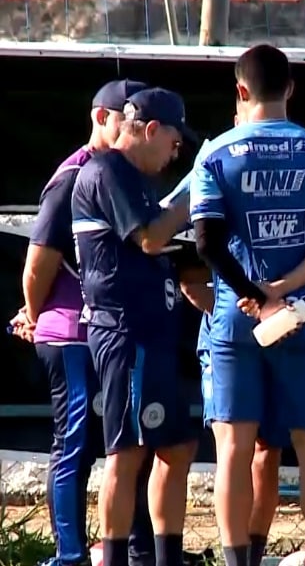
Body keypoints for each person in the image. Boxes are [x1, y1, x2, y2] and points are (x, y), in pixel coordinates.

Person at [189, 43, 305, 566]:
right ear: (290, 89)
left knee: (234, 450)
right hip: (302, 316)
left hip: (236, 318)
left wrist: (252, 292)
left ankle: (237, 559)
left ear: (240, 91)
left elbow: (206, 244)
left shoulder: (214, 154)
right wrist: (282, 289)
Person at [13, 80, 158, 566]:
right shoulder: (76, 174)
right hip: (73, 334)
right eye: (126, 117)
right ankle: (69, 553)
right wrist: (34, 316)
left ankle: (136, 550)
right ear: (101, 118)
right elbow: (38, 262)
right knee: (75, 441)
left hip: (115, 332)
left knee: (127, 444)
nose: (135, 128)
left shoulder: (129, 174)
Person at [71, 87, 199, 566]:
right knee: (126, 451)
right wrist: (194, 190)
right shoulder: (107, 171)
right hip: (127, 334)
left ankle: (164, 556)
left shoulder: (137, 179)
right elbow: (149, 238)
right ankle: (117, 556)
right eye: (174, 141)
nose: (176, 152)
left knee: (177, 444)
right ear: (149, 130)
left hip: (152, 334)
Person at [168, 105, 283, 566]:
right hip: (229, 335)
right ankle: (234, 557)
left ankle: (254, 551)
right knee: (234, 446)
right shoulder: (212, 160)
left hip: (283, 328)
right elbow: (171, 242)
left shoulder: (298, 166)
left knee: (268, 450)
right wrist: (231, 303)